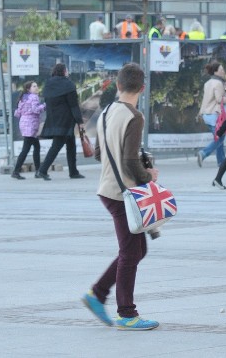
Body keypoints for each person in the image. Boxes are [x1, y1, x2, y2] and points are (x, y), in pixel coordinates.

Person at [81, 62, 160, 331]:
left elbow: (99, 154)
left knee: (137, 249)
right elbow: (129, 162)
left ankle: (99, 294)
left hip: (107, 188)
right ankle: (125, 312)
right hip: (122, 192)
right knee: (130, 252)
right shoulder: (134, 116)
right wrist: (149, 175)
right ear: (143, 88)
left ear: (117, 85)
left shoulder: (106, 112)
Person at [35, 63, 86, 180]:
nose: (67, 72)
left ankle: (73, 172)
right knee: (56, 146)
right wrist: (80, 121)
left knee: (71, 145)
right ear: (64, 71)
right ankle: (42, 170)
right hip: (66, 120)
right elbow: (74, 105)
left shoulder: (48, 84)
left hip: (53, 119)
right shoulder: (68, 85)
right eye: (66, 70)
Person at [196, 62, 226, 168]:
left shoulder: (208, 83)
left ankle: (221, 161)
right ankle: (203, 153)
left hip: (206, 114)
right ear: (216, 71)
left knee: (219, 137)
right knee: (220, 138)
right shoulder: (218, 83)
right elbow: (219, 99)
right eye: (221, 70)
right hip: (215, 115)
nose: (223, 72)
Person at [12, 81, 46, 180]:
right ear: (29, 89)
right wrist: (45, 105)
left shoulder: (23, 97)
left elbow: (17, 113)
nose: (36, 88)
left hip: (24, 123)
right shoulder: (34, 97)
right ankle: (16, 171)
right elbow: (36, 110)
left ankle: (38, 171)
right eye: (34, 86)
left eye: (36, 86)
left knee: (36, 147)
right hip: (30, 124)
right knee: (26, 149)